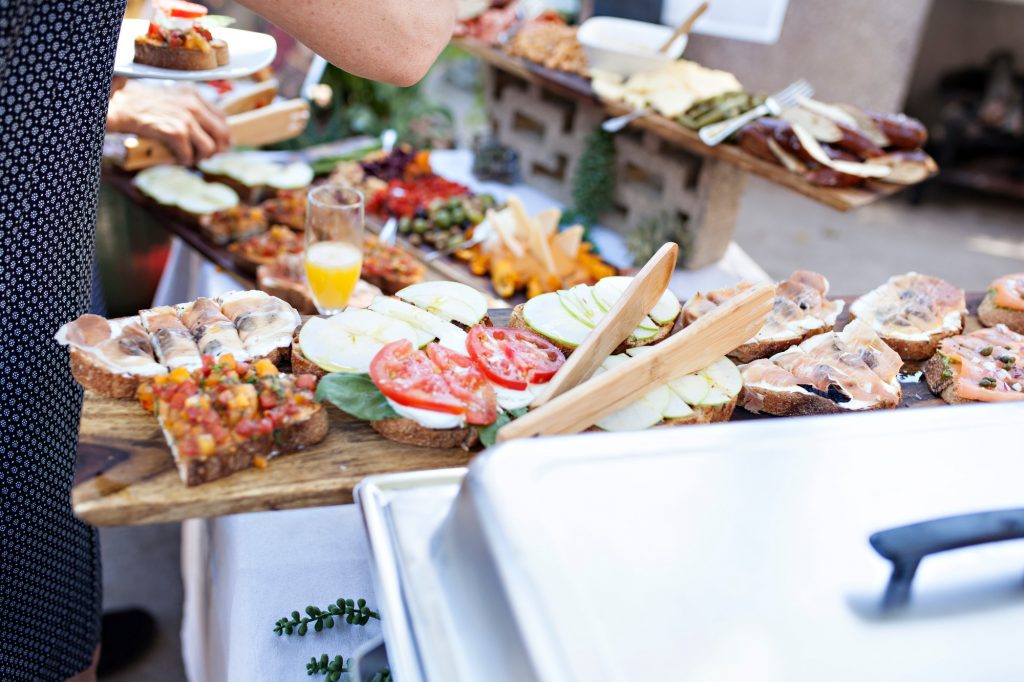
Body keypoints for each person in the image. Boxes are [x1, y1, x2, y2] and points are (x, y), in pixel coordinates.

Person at [0, 1, 456, 680]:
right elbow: (405, 38)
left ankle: (72, 621)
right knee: (35, 613)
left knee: (57, 552)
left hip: (44, 237)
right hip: (19, 270)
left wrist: (100, 87)